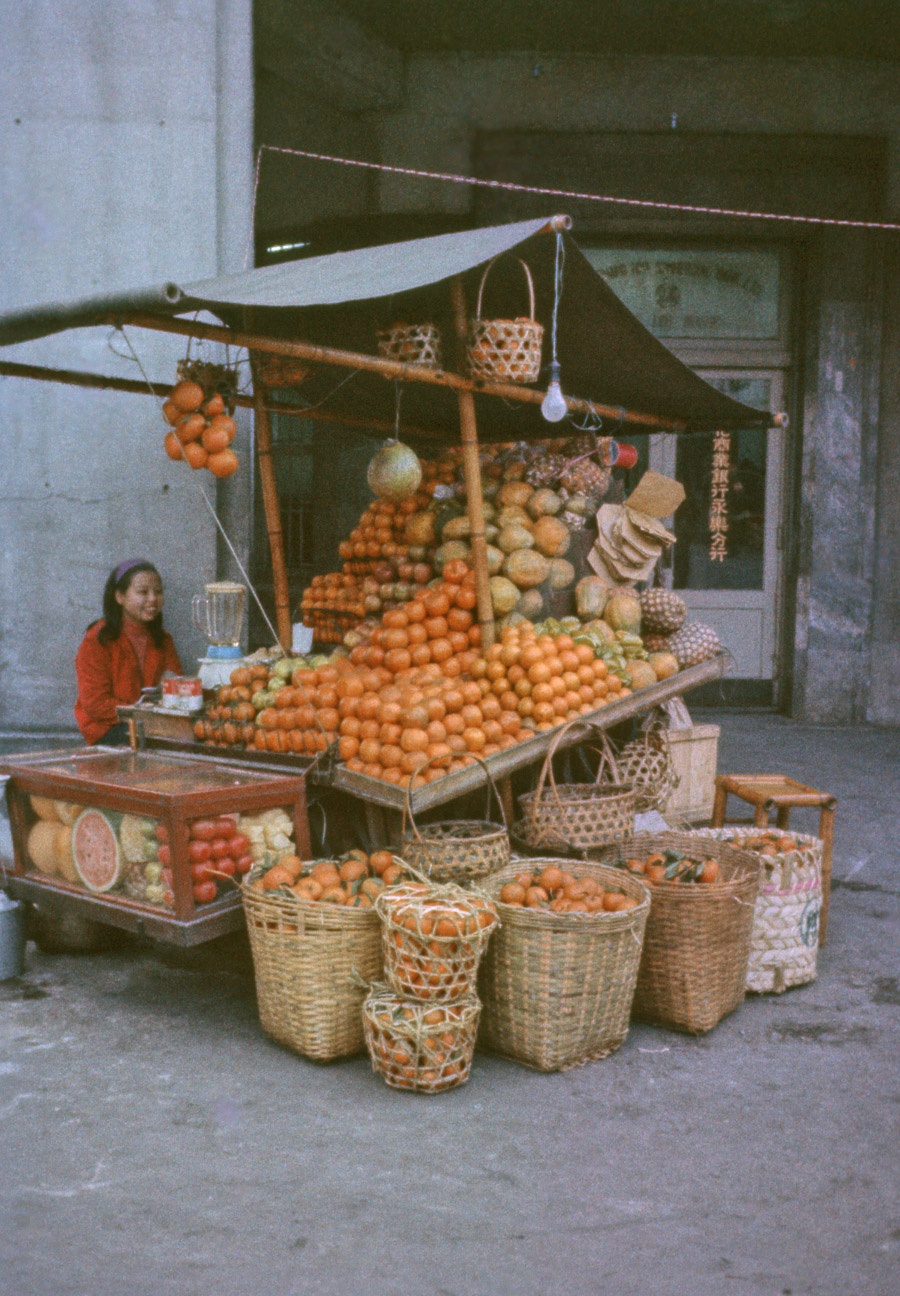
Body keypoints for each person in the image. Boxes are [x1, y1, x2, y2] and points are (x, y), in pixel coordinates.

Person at [75, 559, 182, 744]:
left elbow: (177, 688)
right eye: (142, 592)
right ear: (119, 597)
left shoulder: (163, 640)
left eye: (158, 591)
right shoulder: (98, 639)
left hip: (152, 725)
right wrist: (145, 713)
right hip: (109, 728)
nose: (153, 599)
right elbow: (95, 704)